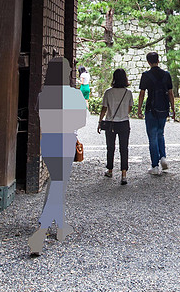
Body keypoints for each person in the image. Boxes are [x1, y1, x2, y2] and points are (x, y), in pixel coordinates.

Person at [29, 57, 88, 255]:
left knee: (56, 183)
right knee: (58, 184)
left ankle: (61, 227)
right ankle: (41, 230)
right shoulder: (74, 94)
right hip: (65, 141)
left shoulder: (42, 95)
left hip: (47, 141)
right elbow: (81, 121)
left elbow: (40, 118)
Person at [136, 51, 176, 175]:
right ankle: (163, 157)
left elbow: (142, 93)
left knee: (152, 136)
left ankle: (155, 166)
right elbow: (170, 93)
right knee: (160, 133)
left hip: (151, 109)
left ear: (148, 62)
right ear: (158, 60)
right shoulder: (166, 75)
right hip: (163, 109)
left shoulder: (146, 75)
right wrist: (173, 109)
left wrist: (139, 109)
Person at [98, 68, 133, 185]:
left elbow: (104, 108)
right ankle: (124, 175)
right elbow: (129, 109)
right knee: (124, 148)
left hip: (110, 123)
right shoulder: (128, 93)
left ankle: (110, 170)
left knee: (110, 147)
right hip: (124, 122)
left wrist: (99, 122)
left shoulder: (108, 92)